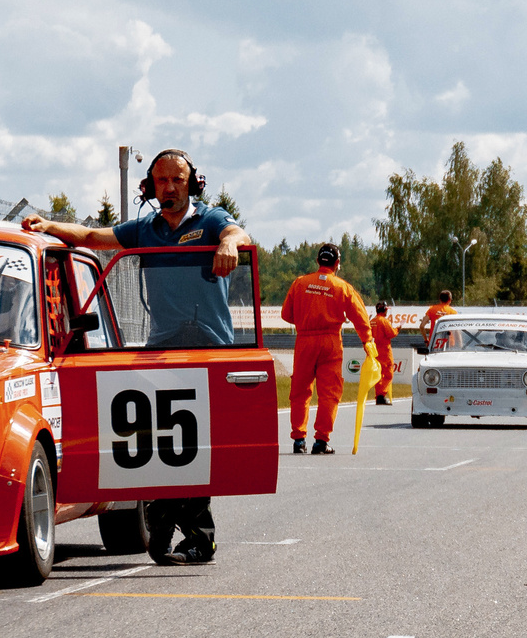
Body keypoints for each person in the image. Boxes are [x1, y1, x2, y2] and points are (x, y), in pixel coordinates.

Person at [20, 148, 250, 566]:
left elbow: (239, 234)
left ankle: (200, 538)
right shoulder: (145, 229)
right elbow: (92, 237)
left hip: (208, 347)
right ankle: (162, 522)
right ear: (150, 186)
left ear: (193, 184)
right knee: (160, 440)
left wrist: (230, 244)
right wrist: (49, 225)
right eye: (162, 180)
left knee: (194, 444)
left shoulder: (212, 220)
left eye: (177, 179)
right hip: (162, 344)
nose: (170, 187)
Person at [283, 242, 373, 454]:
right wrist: (367, 341)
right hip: (331, 342)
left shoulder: (300, 283)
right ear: (337, 263)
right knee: (329, 393)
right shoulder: (343, 287)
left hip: (304, 341)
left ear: (317, 261)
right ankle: (321, 441)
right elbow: (360, 318)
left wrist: (305, 320)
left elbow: (286, 314)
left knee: (300, 391)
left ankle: (298, 439)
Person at [367, 302, 400, 405]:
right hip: (385, 351)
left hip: (374, 351)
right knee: (388, 374)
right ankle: (381, 395)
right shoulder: (384, 321)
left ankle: (379, 395)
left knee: (378, 374)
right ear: (384, 310)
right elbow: (391, 333)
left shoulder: (372, 321)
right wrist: (398, 329)